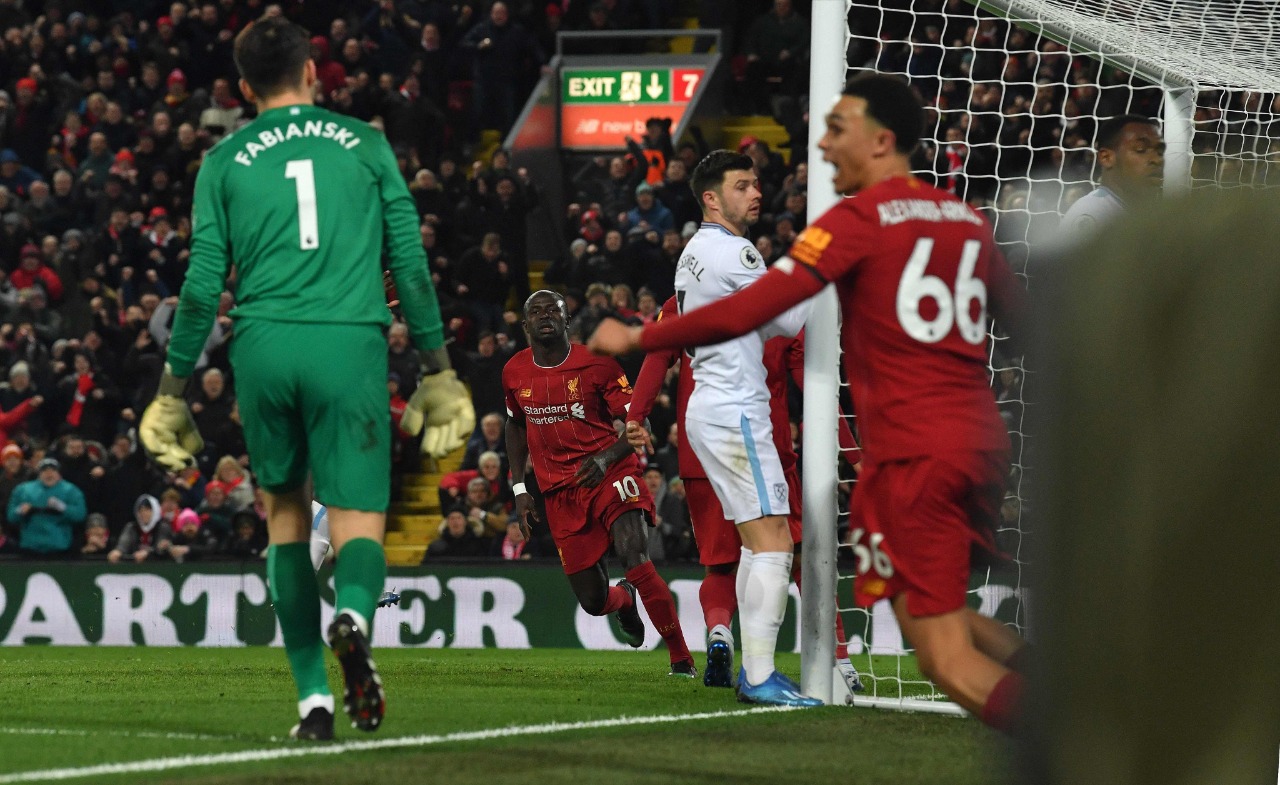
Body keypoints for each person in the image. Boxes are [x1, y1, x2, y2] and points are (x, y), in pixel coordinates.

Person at [591, 74, 1031, 733]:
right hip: (976, 439)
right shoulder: (966, 218)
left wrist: (639, 336)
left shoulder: (850, 223)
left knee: (927, 640)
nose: (820, 145)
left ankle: (1077, 736)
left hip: (905, 450)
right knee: (910, 603)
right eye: (744, 184)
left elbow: (759, 310)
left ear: (881, 140)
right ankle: (1061, 684)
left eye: (835, 128)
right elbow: (1025, 325)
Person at [136, 17, 473, 742]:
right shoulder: (367, 145)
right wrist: (438, 368)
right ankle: (352, 618)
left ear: (244, 88)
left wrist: (172, 390)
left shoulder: (223, 160)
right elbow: (410, 264)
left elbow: (201, 286)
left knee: (286, 519)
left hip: (262, 343)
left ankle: (314, 703)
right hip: (348, 341)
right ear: (314, 72)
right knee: (356, 519)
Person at [622, 150, 818, 706]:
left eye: (756, 184)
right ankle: (760, 675)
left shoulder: (694, 253)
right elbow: (789, 321)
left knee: (756, 546)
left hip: (710, 409)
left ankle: (755, 669)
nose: (756, 193)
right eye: (742, 186)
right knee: (775, 542)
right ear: (711, 198)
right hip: (737, 411)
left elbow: (765, 321)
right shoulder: (736, 251)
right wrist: (819, 267)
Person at [628, 295, 864, 695]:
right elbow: (815, 388)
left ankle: (720, 632)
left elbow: (655, 357)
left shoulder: (683, 300)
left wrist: (636, 416)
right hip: (765, 452)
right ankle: (837, 660)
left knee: (721, 567)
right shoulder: (779, 299)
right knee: (802, 559)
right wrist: (855, 457)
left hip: (702, 457)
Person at [504, 290, 695, 677]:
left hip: (611, 473)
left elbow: (638, 422)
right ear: (525, 325)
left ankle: (681, 659)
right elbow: (515, 424)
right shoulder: (513, 371)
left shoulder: (598, 363)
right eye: (536, 312)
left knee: (635, 557)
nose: (545, 316)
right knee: (593, 601)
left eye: (553, 310)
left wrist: (607, 457)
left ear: (566, 319)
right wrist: (520, 489)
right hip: (560, 493)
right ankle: (624, 600)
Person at [1056, 114, 1164, 237]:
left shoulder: (1141, 213)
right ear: (1106, 157)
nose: (1157, 159)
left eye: (1160, 151)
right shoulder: (1093, 216)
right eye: (1140, 149)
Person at [6, 457, 88, 558]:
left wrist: (63, 507)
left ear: (59, 473)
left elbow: (80, 515)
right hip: (31, 548)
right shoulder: (23, 490)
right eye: (45, 471)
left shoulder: (71, 490)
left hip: (60, 548)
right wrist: (20, 510)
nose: (49, 474)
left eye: (53, 470)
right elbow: (11, 516)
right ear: (39, 473)